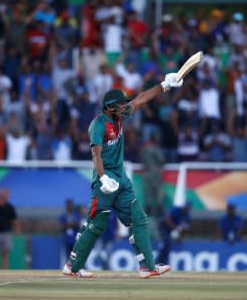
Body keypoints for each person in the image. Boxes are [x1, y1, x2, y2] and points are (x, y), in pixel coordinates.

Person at [62, 72, 183, 278]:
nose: (124, 107)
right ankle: (72, 267)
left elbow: (141, 99)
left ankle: (147, 266)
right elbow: (95, 153)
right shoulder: (98, 125)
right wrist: (102, 178)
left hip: (121, 179)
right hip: (105, 180)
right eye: (119, 104)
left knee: (139, 219)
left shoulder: (120, 116)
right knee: (96, 224)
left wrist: (164, 85)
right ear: (109, 107)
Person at [0, 188, 21, 269]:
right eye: (4, 195)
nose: (6, 196)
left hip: (6, 233)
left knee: (5, 253)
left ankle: (4, 270)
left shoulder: (10, 207)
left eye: (7, 195)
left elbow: (15, 220)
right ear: (0, 195)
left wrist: (17, 229)